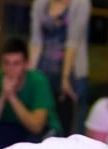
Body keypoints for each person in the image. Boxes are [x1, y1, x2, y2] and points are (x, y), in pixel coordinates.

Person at [0, 36, 59, 149]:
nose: (10, 69)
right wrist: (2, 96)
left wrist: (12, 97)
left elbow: (36, 127)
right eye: (6, 63)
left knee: (34, 145)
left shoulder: (38, 82)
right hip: (8, 128)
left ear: (26, 64)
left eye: (16, 64)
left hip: (42, 130)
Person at [28, 0, 91, 136]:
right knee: (45, 124)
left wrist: (65, 77)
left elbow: (73, 41)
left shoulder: (81, 4)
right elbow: (36, 40)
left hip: (71, 73)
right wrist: (30, 74)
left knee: (68, 126)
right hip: (43, 71)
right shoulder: (40, 3)